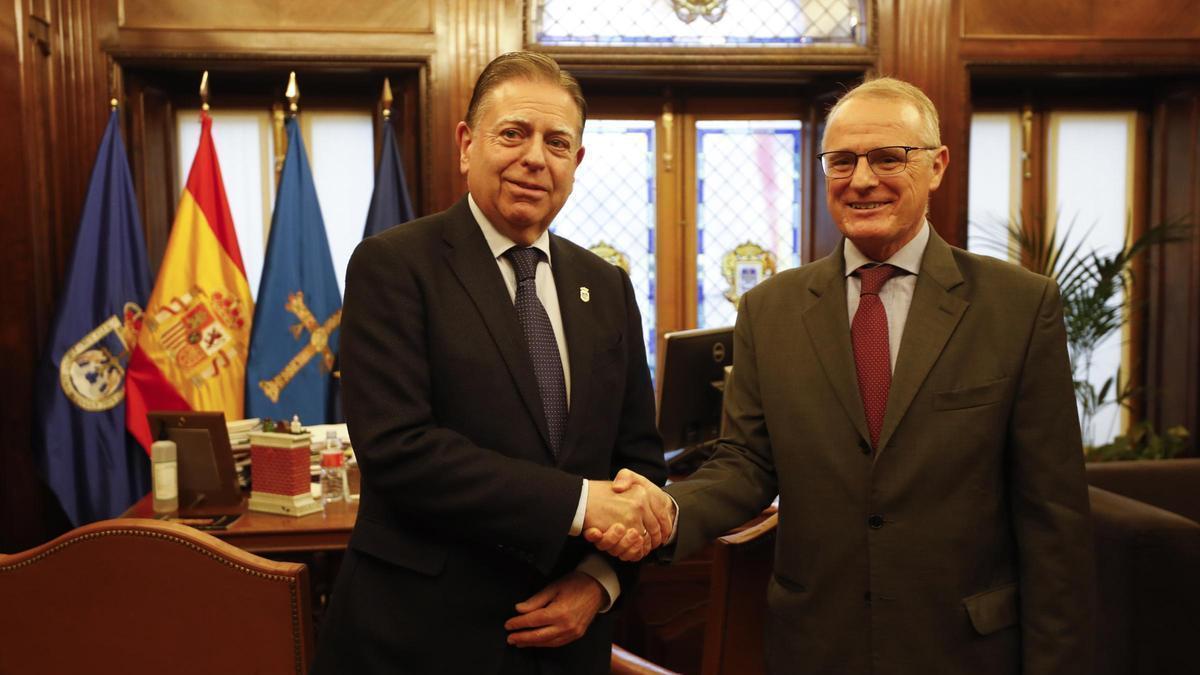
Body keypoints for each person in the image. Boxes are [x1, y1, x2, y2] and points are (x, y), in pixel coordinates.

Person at [594, 77, 1095, 674]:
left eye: (889, 157)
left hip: (966, 648)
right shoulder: (768, 309)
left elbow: (1053, 517)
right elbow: (746, 465)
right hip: (815, 645)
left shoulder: (1018, 306)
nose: (861, 180)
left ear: (936, 167)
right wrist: (666, 512)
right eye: (843, 160)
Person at [312, 51, 669, 675]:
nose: (536, 157)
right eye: (514, 134)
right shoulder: (393, 266)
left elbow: (638, 461)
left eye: (558, 142)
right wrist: (581, 504)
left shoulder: (606, 285)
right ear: (466, 144)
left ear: (576, 163)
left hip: (566, 644)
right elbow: (400, 451)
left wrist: (599, 581)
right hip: (421, 639)